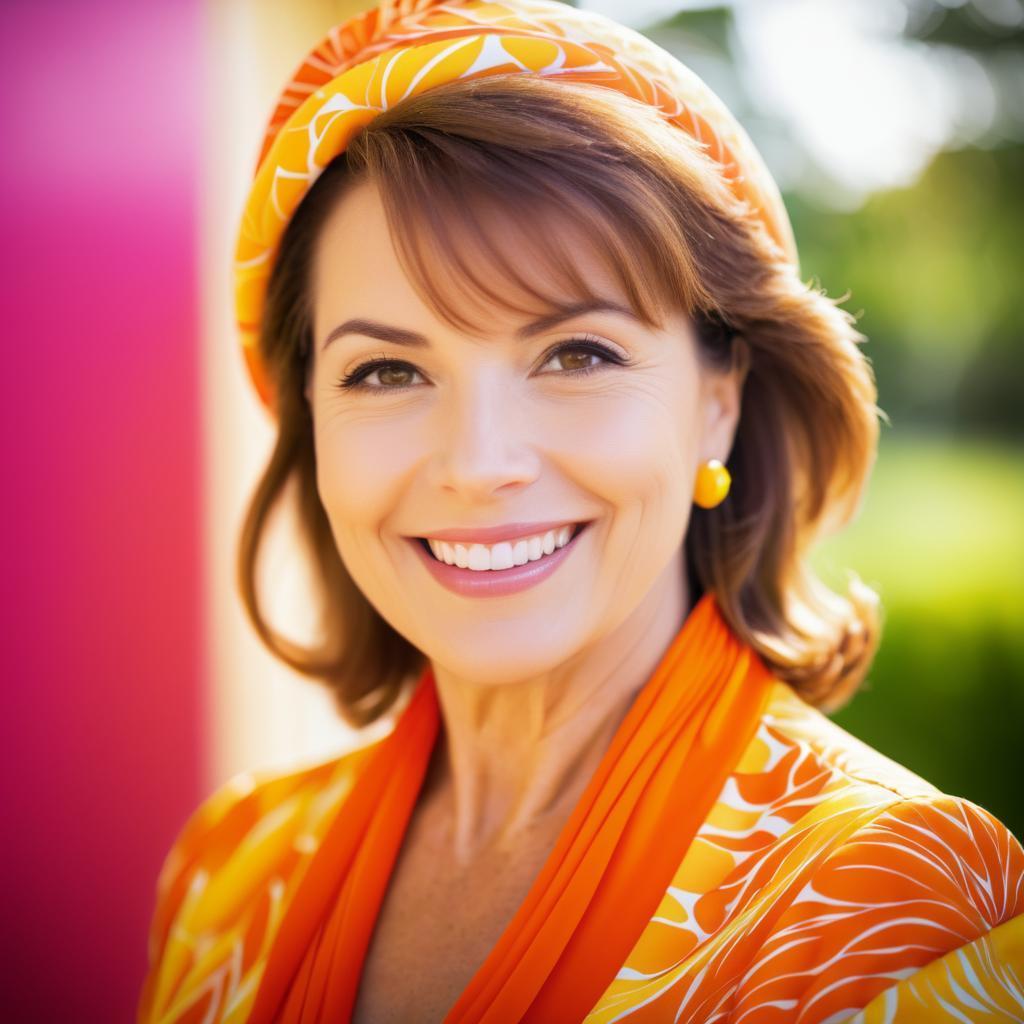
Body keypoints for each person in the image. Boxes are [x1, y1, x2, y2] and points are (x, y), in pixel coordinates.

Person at [137, 0, 1024, 1021]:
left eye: (575, 354)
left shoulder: (891, 909)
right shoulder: (226, 874)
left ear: (716, 404)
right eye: (384, 370)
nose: (476, 463)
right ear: (309, 418)